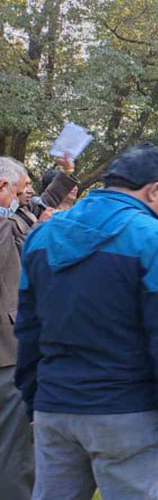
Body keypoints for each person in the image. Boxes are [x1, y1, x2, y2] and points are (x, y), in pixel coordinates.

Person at [15, 145, 158, 500]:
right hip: (127, 411)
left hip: (55, 407)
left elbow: (27, 328)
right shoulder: (154, 236)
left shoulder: (41, 236)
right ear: (154, 189)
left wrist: (34, 399)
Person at [0, 158, 32, 500]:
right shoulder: (3, 226)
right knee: (13, 447)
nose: (21, 197)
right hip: (5, 353)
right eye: (18, 190)